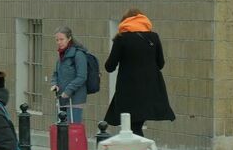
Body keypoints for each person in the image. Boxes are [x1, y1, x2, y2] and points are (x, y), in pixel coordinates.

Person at [104, 9, 174, 137]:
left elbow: (110, 66)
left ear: (125, 21)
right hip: (150, 88)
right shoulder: (154, 37)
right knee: (136, 125)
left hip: (128, 90)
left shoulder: (122, 39)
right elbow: (161, 63)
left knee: (131, 126)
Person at [49, 26, 88, 123]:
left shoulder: (78, 54)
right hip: (61, 97)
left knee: (72, 127)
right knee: (62, 129)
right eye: (57, 40)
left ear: (69, 38)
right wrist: (54, 84)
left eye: (62, 39)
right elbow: (56, 73)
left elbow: (82, 76)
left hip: (75, 98)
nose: (59, 42)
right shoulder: (62, 55)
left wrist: (68, 91)